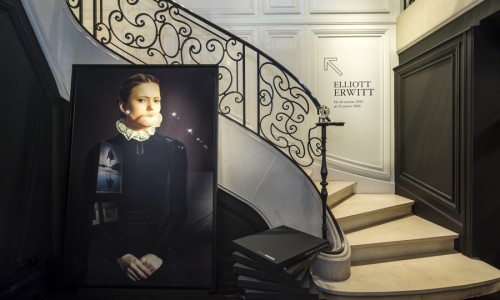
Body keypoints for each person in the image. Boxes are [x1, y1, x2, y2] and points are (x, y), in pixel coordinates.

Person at [82, 73, 188, 285]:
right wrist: (121, 256)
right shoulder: (106, 150)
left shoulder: (174, 148)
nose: (152, 107)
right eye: (142, 100)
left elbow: (178, 209)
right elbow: (98, 210)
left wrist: (159, 254)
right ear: (123, 106)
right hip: (113, 255)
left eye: (156, 100)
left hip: (161, 254)